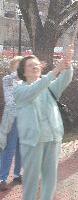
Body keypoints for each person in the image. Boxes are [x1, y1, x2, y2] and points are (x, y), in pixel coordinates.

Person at [13, 46, 74, 200]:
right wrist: (55, 70)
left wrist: (67, 63)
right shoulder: (19, 90)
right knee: (31, 179)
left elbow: (64, 79)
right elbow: (36, 89)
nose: (35, 66)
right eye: (30, 65)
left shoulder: (48, 87)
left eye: (36, 64)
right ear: (23, 72)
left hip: (53, 138)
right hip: (33, 141)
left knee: (50, 177)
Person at [0, 56, 23, 191]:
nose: (20, 69)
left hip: (23, 118)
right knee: (9, 148)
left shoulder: (24, 83)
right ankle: (2, 178)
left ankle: (17, 174)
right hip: (12, 118)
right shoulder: (7, 80)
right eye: (18, 66)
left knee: (21, 147)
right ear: (12, 68)